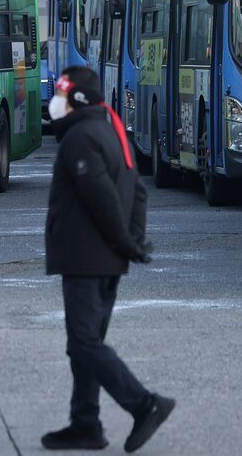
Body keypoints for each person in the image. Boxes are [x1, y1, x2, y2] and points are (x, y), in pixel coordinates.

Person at [42, 66, 175, 453]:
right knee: (85, 343)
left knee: (84, 343)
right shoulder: (111, 130)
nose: (55, 102)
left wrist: (126, 242)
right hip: (105, 258)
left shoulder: (80, 138)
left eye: (61, 95)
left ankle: (144, 404)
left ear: (77, 99)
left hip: (87, 258)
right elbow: (138, 192)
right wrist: (132, 241)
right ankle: (85, 424)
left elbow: (100, 195)